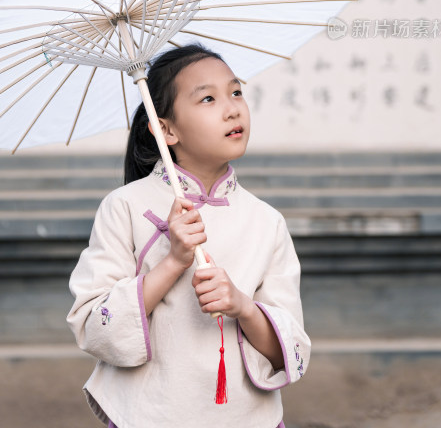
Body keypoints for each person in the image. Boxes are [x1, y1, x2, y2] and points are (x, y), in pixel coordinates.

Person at [67, 43, 311, 428]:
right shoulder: (125, 207)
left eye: (235, 92)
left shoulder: (267, 221)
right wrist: (173, 261)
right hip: (151, 414)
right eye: (209, 98)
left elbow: (289, 349)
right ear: (166, 129)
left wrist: (243, 306)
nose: (233, 108)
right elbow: (93, 325)